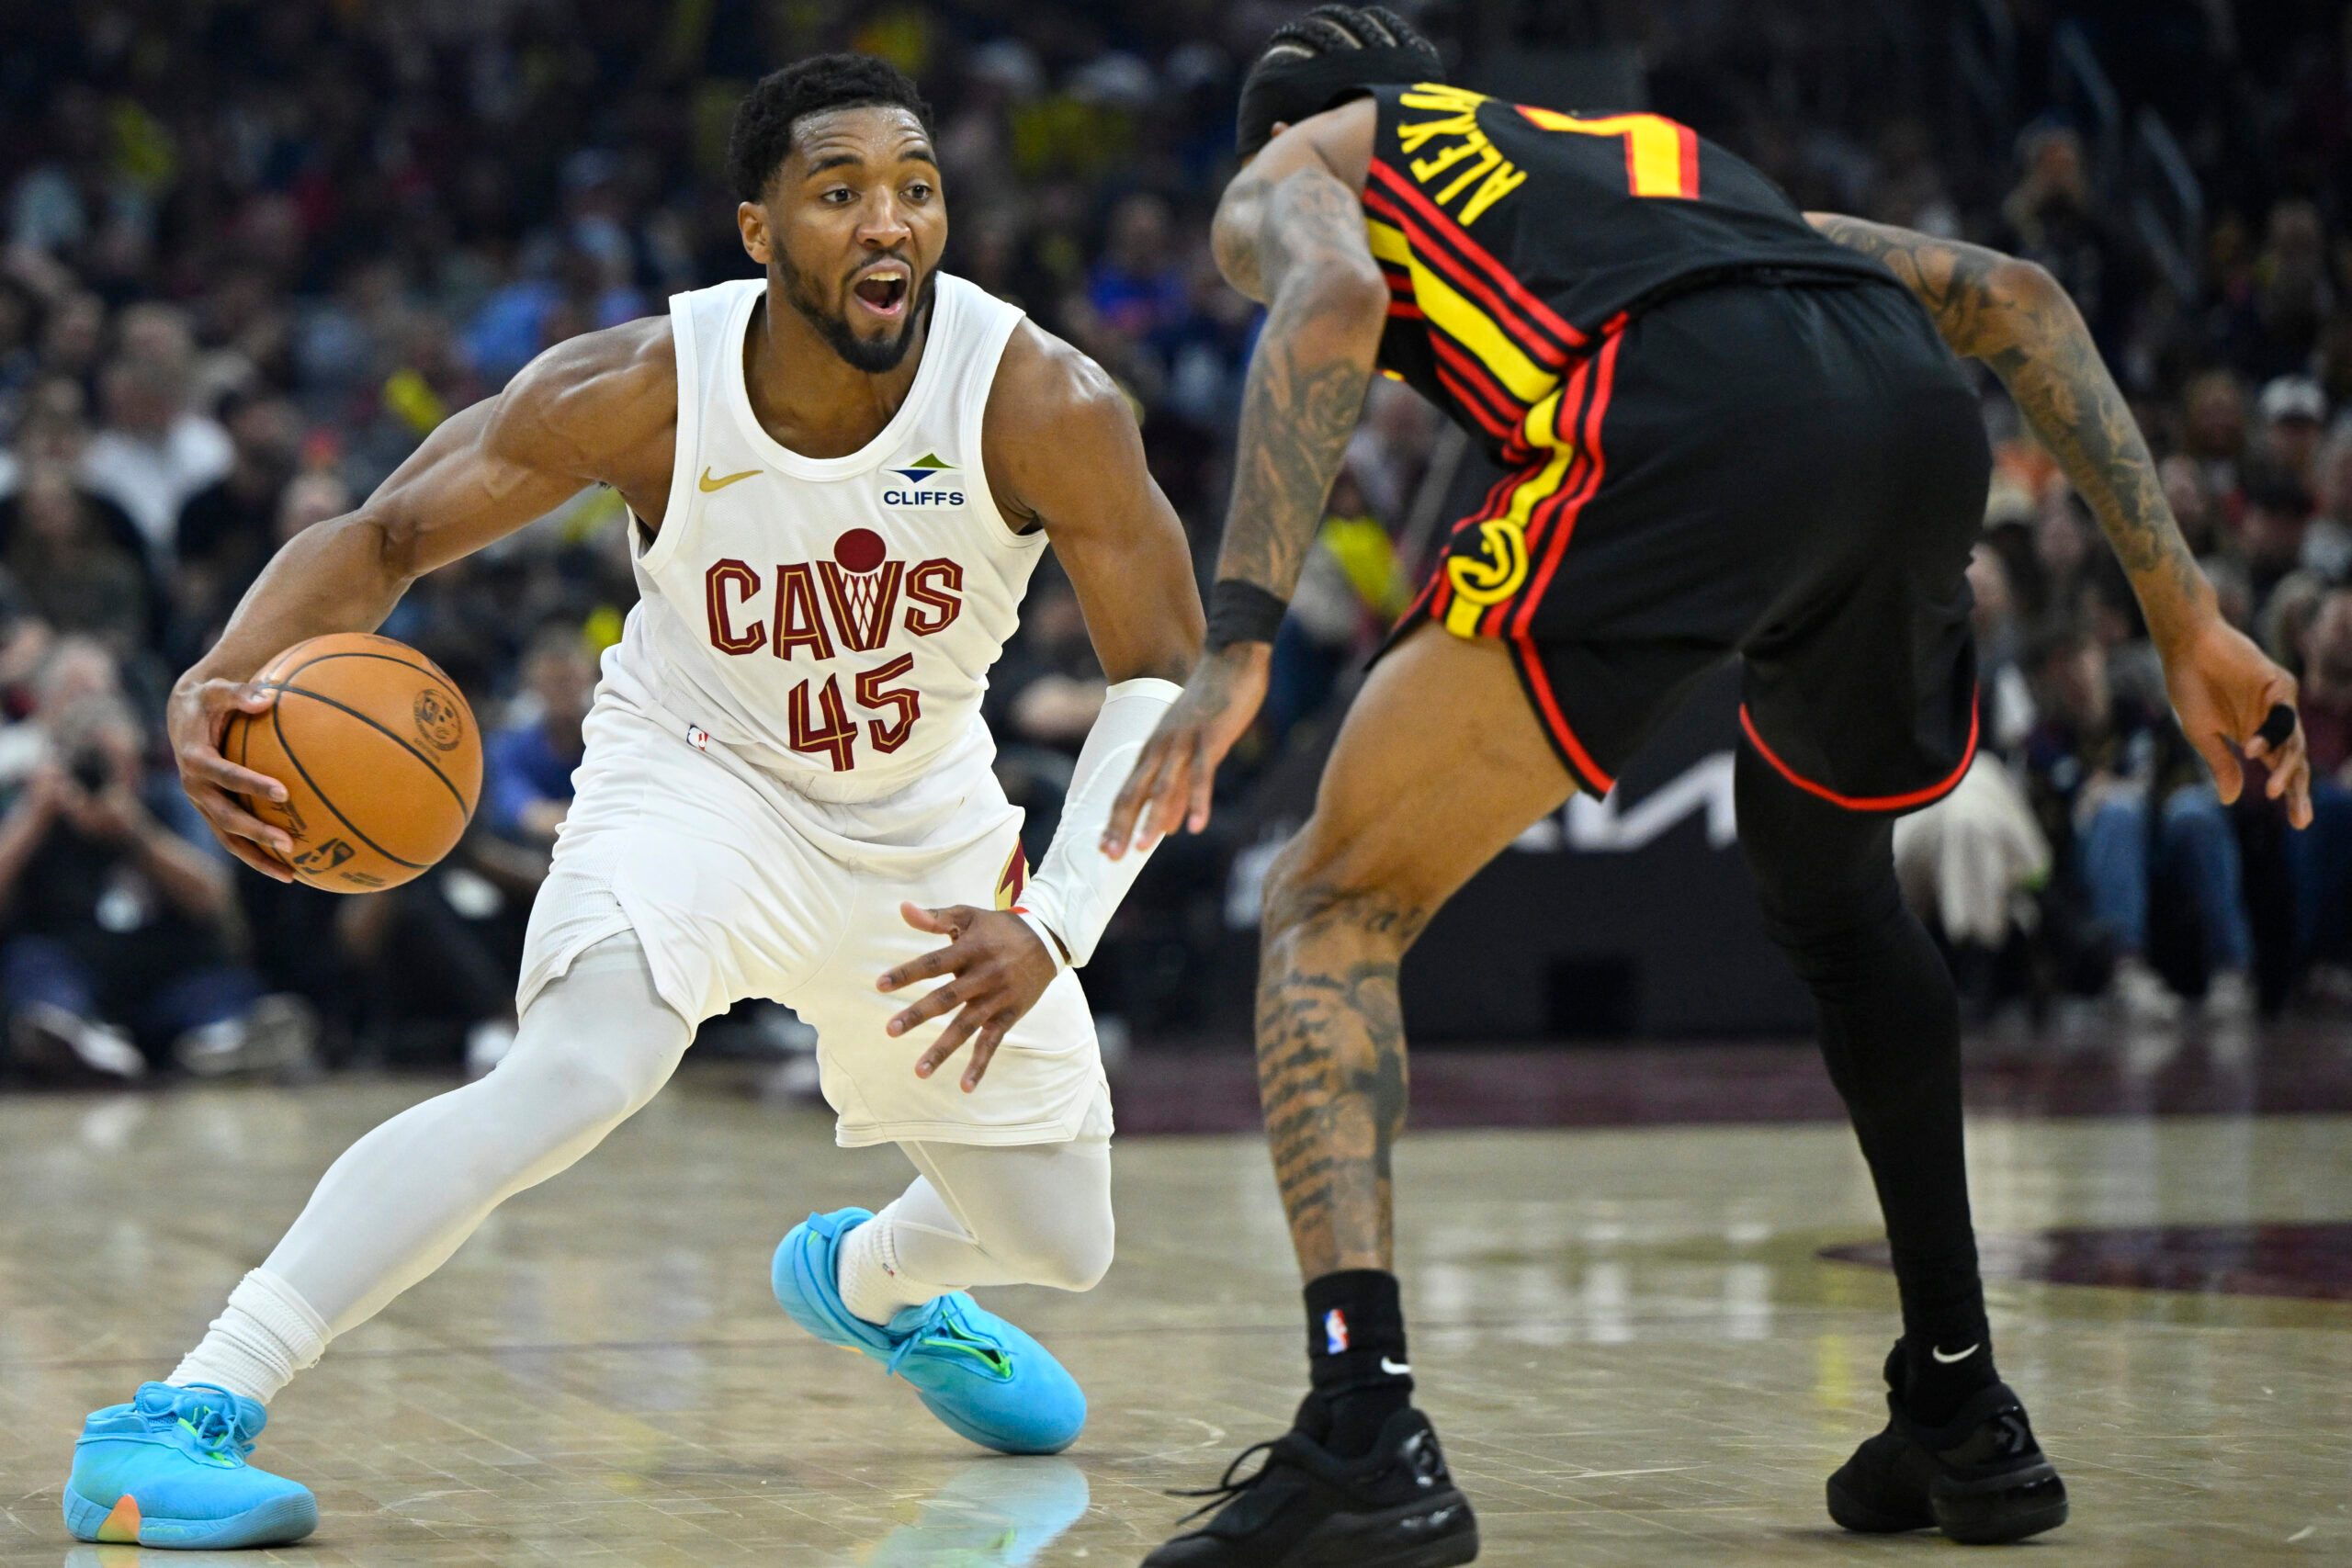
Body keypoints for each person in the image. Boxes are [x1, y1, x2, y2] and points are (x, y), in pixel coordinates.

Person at [1107, 10, 2312, 1565]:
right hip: (1897, 412)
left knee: (1333, 901)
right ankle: (1959, 1400)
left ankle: (1364, 1431)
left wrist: (1242, 640)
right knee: (1831, 895)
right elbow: (2014, 300)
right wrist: (2190, 619)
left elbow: (1332, 299)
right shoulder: (1652, 163)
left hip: (1670, 414)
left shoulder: (1309, 158)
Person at [59, 55, 1202, 1551]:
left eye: (916, 189)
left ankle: (869, 1284)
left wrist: (1051, 927)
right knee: (575, 1075)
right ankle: (185, 1412)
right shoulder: (643, 388)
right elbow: (393, 531)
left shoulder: (1043, 397)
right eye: (841, 191)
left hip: (920, 818)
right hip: (696, 784)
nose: (891, 223)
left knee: (1066, 1241)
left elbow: (1168, 673)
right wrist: (224, 668)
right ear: (759, 230)